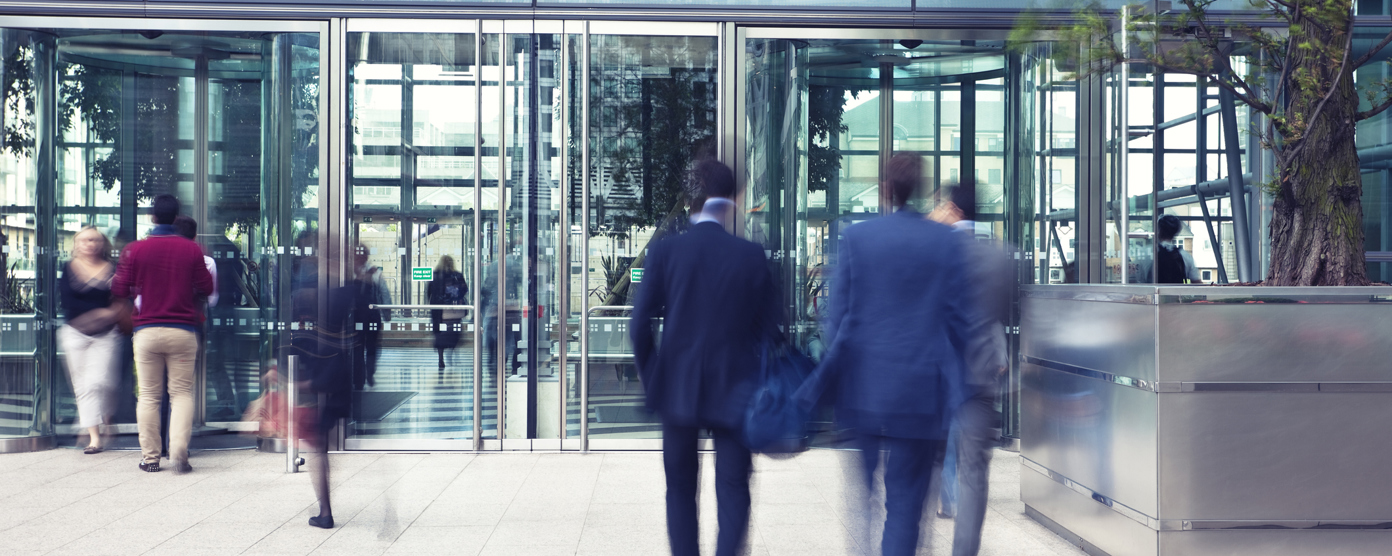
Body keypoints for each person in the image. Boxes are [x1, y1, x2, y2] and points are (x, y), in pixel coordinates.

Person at [805, 153, 1002, 556]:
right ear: (920, 189)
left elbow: (837, 318)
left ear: (884, 189)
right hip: (919, 396)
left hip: (862, 393)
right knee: (906, 507)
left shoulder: (857, 238)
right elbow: (958, 320)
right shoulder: (943, 241)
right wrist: (963, 384)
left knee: (863, 501)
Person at [630, 159, 781, 556]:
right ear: (733, 200)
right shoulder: (750, 255)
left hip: (678, 389)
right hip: (736, 389)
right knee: (733, 490)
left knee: (679, 489)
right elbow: (770, 329)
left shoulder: (666, 252)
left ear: (695, 200)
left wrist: (654, 378)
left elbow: (638, 323)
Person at [929, 181, 1013, 556]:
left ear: (952, 209)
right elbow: (1004, 315)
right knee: (974, 476)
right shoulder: (1001, 257)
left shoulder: (931, 252)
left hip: (932, 379)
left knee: (920, 468)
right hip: (980, 377)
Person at [113, 194, 215, 473]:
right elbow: (206, 287)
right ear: (176, 216)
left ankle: (151, 458)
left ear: (153, 217)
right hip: (183, 330)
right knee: (181, 393)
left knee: (148, 395)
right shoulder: (191, 250)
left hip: (146, 330)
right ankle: (179, 450)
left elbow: (119, 288)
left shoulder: (136, 250)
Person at [58, 227, 124, 454]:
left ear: (102, 243)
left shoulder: (111, 269)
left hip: (105, 334)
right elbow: (68, 303)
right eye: (85, 240)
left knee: (102, 382)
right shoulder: (68, 268)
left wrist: (106, 314)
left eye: (95, 240)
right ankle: (94, 437)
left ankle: (105, 416)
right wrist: (101, 313)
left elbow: (120, 300)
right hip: (75, 333)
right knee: (84, 385)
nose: (90, 244)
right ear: (76, 244)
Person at [350, 245, 390, 390]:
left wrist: (386, 311)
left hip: (371, 315)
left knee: (371, 346)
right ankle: (360, 377)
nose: (358, 257)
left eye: (361, 254)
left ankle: (369, 373)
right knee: (358, 346)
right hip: (355, 316)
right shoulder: (348, 271)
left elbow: (384, 292)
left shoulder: (374, 272)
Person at [427, 255, 468, 380]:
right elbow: (465, 289)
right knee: (454, 330)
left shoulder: (435, 275)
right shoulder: (457, 275)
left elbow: (429, 292)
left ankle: (441, 358)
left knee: (440, 334)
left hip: (440, 311)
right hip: (455, 311)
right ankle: (452, 350)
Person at [1133, 214, 1201, 284]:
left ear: (1158, 230)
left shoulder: (1146, 253)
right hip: (1176, 294)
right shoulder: (1184, 255)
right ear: (1176, 232)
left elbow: (1137, 279)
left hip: (1152, 293)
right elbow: (1197, 282)